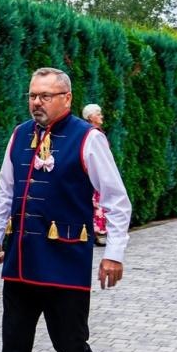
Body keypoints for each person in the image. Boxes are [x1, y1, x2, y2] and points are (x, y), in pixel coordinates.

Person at [0, 67, 132, 352]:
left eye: (46, 96)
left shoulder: (88, 138)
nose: (37, 102)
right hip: (20, 264)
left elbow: (116, 200)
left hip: (65, 263)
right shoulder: (18, 135)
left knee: (71, 348)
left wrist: (113, 254)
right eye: (33, 95)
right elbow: (7, 191)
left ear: (66, 98)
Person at [81, 103, 108, 245]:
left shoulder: (98, 132)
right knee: (94, 204)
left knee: (98, 204)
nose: (101, 116)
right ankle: (93, 232)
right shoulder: (91, 134)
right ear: (91, 117)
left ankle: (96, 232)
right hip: (93, 175)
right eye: (98, 114)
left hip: (99, 173)